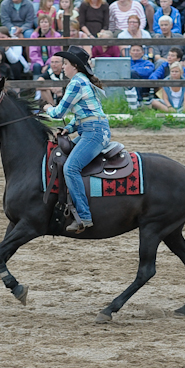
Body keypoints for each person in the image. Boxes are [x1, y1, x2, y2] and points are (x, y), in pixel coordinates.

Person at [42, 46, 110, 233]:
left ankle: (84, 216)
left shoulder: (76, 83)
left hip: (93, 132)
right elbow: (82, 116)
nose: (62, 67)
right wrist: (68, 128)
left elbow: (58, 113)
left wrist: (47, 107)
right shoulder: (83, 81)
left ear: (74, 66)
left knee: (71, 167)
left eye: (65, 64)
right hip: (93, 129)